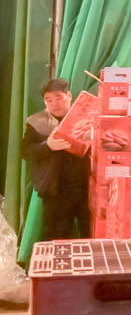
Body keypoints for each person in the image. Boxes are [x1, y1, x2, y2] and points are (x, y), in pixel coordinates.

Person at [19, 78, 90, 242]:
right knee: (56, 238)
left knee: (92, 235)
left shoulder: (86, 118)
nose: (54, 104)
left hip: (88, 188)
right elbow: (25, 152)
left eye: (59, 97)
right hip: (55, 191)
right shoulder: (36, 122)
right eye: (48, 99)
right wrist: (48, 146)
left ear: (69, 96)